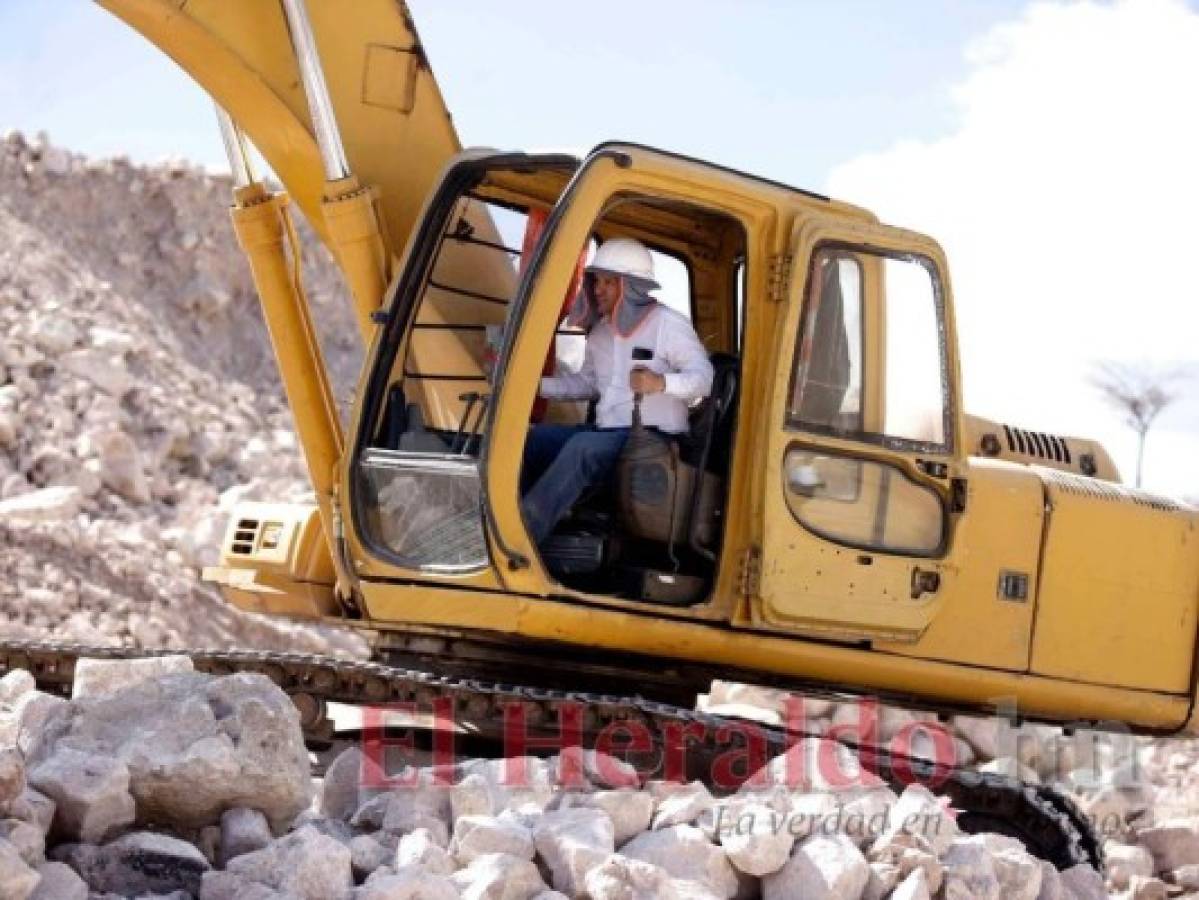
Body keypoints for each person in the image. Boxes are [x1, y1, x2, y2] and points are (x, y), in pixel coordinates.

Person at [521, 237, 714, 545]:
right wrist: (531, 386)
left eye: (609, 283)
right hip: (607, 432)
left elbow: (704, 378)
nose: (598, 289)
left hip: (654, 439)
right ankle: (511, 517)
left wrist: (661, 383)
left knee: (582, 448)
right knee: (533, 440)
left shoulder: (668, 324)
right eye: (597, 281)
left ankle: (521, 538)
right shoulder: (600, 332)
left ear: (633, 286)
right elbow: (585, 385)